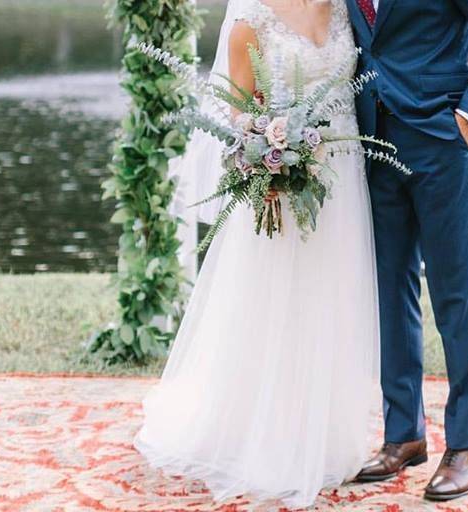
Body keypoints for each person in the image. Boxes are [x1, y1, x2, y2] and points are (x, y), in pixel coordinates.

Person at [133, 0, 381, 508]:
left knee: (330, 300)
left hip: (343, 176)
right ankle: (270, 439)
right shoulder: (250, 18)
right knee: (276, 307)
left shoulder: (343, 8)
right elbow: (241, 113)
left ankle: (326, 431)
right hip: (283, 186)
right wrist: (270, 170)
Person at [346, 0, 468, 501]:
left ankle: (465, 445)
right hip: (373, 142)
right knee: (391, 291)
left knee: (456, 294)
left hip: (440, 141)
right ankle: (403, 433)